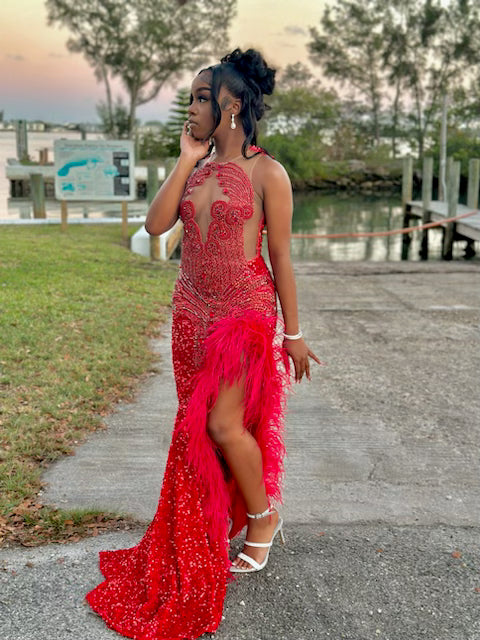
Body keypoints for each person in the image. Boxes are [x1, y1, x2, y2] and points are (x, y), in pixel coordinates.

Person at [85, 47, 322, 639]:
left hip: (243, 310)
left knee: (222, 424)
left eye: (199, 98)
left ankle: (263, 519)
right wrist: (186, 159)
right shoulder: (192, 165)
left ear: (232, 105)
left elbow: (282, 258)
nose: (189, 108)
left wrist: (292, 333)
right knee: (197, 428)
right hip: (189, 310)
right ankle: (229, 517)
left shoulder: (270, 173)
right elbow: (156, 226)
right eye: (189, 98)